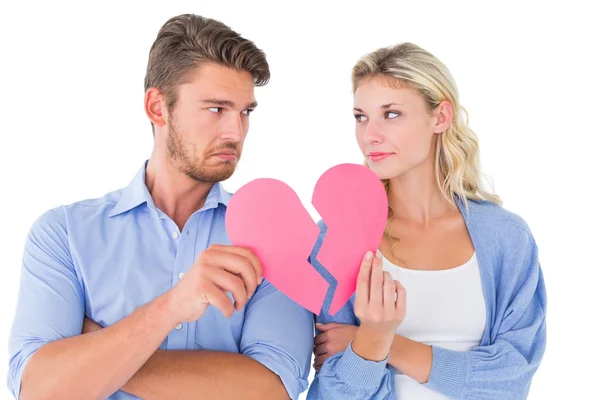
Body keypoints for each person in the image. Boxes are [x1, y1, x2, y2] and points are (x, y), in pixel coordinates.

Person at [7, 14, 313, 400]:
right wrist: (172, 307)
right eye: (216, 109)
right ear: (157, 107)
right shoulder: (64, 234)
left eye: (245, 112)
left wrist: (99, 354)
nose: (235, 132)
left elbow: (271, 391)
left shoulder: (274, 239)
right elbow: (39, 390)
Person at [307, 42, 547, 399]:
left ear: (441, 117)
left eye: (391, 114)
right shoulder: (337, 238)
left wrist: (380, 341)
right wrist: (373, 338)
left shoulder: (506, 237)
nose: (369, 135)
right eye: (361, 117)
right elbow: (332, 393)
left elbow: (511, 378)